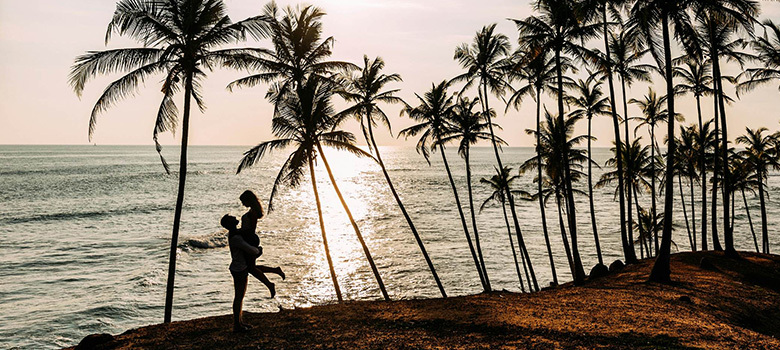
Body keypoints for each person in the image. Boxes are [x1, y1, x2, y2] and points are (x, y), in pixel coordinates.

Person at [239, 190, 285, 293]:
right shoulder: (252, 211)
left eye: (243, 201)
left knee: (250, 268)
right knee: (251, 267)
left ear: (248, 200)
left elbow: (251, 229)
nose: (243, 204)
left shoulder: (252, 213)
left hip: (250, 240)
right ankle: (274, 272)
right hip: (249, 239)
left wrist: (239, 232)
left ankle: (270, 283)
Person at [222, 214, 259, 333]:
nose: (234, 217)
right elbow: (250, 249)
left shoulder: (235, 234)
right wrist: (258, 250)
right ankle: (237, 325)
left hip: (238, 267)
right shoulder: (236, 238)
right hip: (239, 268)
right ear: (230, 223)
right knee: (238, 297)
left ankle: (239, 322)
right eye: (232, 218)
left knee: (240, 297)